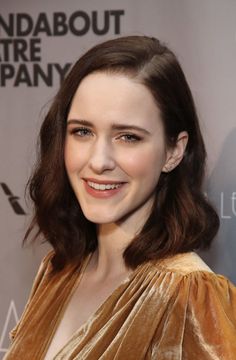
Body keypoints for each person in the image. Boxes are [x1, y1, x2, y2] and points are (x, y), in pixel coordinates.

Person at [4, 36, 236, 360]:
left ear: (174, 151)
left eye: (128, 137)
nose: (99, 160)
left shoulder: (191, 298)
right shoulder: (57, 271)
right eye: (82, 131)